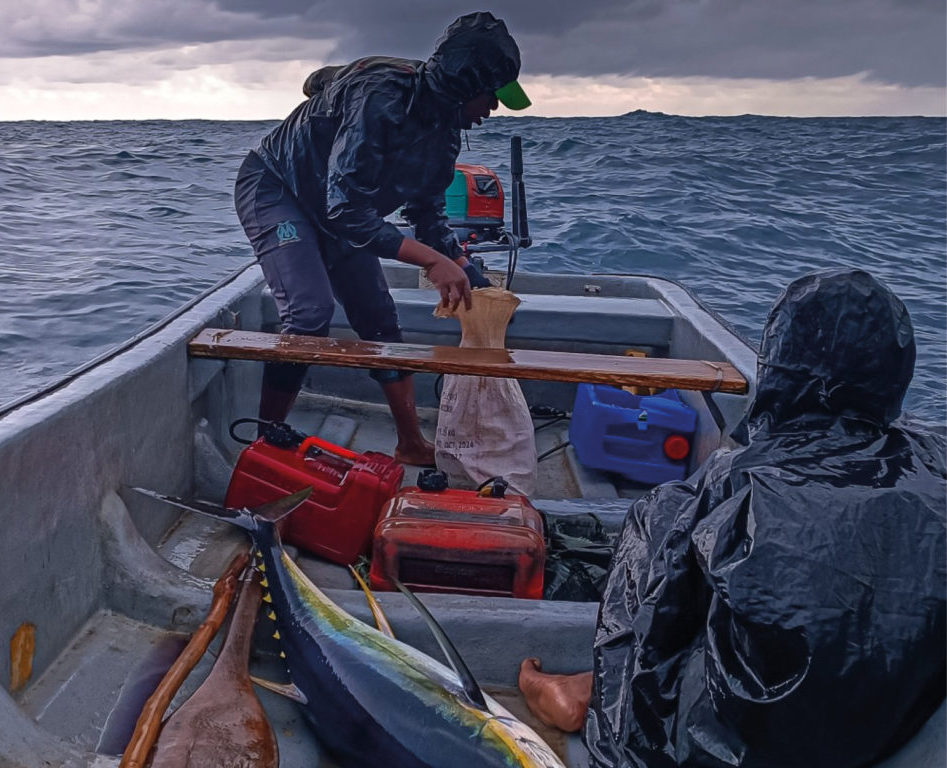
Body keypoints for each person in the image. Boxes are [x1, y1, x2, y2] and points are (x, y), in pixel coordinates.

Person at [519, 268, 946, 767]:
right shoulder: (933, 461)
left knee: (658, 520)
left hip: (732, 741)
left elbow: (658, 628)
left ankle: (585, 695)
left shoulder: (736, 480)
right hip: (881, 728)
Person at [234, 12, 530, 465]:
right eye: (491, 95)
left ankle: (411, 443)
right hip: (278, 188)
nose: (493, 108)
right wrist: (432, 262)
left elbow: (428, 216)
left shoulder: (445, 133)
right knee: (311, 311)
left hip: (340, 210)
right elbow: (347, 210)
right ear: (466, 82)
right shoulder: (381, 95)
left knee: (379, 320)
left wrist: (469, 271)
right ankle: (265, 444)